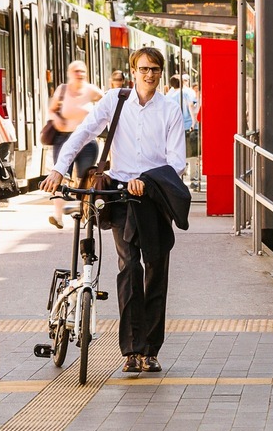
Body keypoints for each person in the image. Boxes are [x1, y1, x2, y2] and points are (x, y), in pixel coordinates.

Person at [41, 47, 188, 376]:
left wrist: (148, 182)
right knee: (128, 270)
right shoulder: (115, 101)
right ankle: (133, 350)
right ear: (133, 71)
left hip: (155, 196)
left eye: (155, 70)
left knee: (156, 270)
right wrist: (59, 169)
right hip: (121, 195)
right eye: (144, 69)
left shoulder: (169, 110)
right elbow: (83, 133)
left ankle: (152, 349)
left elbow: (177, 161)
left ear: (161, 73)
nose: (150, 75)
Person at [46, 61, 105, 229]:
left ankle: (85, 212)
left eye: (82, 71)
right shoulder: (62, 90)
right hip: (63, 139)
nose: (79, 74)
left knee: (85, 179)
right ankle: (57, 215)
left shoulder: (91, 90)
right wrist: (56, 119)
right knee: (59, 175)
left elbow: (109, 102)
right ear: (69, 73)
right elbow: (51, 110)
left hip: (87, 143)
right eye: (76, 71)